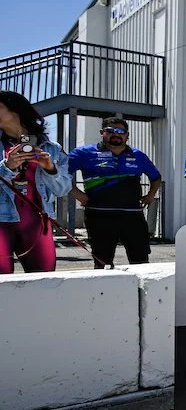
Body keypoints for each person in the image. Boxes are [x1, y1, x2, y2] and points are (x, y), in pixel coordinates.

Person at [69, 117, 161, 268]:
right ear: (102, 132)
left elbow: (156, 178)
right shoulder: (83, 153)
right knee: (102, 262)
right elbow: (61, 175)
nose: (116, 134)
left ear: (127, 135)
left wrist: (151, 195)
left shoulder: (138, 155)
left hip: (133, 215)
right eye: (110, 131)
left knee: (141, 260)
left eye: (120, 131)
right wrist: (77, 194)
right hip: (99, 215)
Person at [0, 91, 72, 273]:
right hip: (1, 222)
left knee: (44, 280)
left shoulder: (51, 148)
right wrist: (7, 167)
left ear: (15, 110)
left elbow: (63, 189)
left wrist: (50, 169)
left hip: (38, 222)